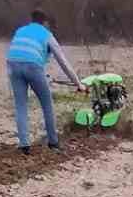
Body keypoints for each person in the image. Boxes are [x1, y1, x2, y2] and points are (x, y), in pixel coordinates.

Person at [6, 9, 85, 154]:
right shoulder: (47, 34)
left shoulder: (21, 30)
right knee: (47, 104)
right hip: (33, 67)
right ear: (45, 22)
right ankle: (53, 143)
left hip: (13, 64)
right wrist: (78, 83)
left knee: (21, 105)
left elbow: (23, 53)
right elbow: (63, 61)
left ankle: (24, 145)